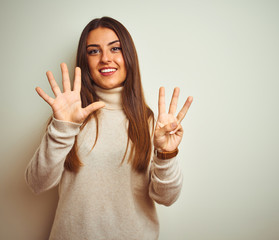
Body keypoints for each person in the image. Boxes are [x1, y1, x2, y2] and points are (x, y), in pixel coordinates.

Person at [25, 16, 193, 240]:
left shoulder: (150, 121)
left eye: (115, 48)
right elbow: (37, 183)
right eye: (94, 51)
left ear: (129, 56)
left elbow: (167, 198)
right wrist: (63, 128)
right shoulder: (69, 117)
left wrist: (166, 154)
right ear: (85, 61)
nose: (105, 58)